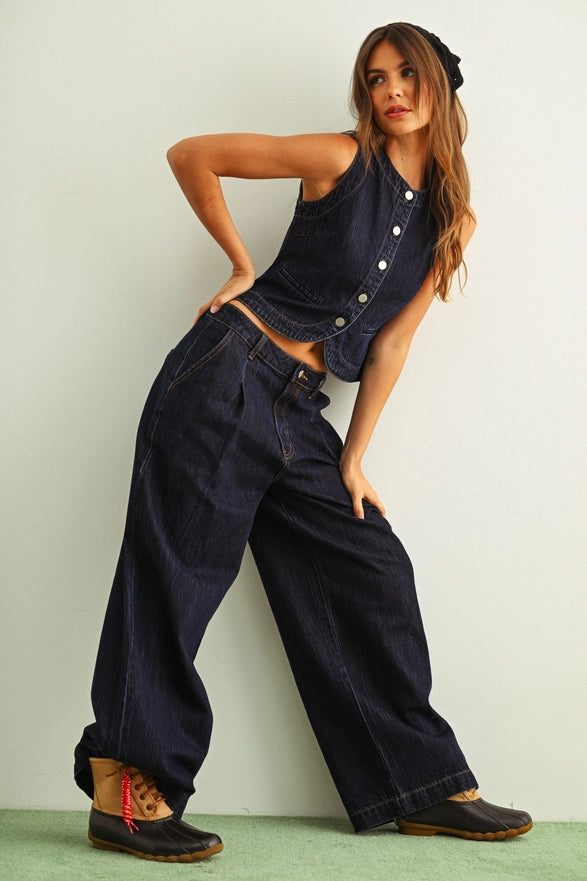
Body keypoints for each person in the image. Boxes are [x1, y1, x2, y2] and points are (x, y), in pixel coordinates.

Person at [74, 22, 532, 862]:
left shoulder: (447, 217)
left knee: (370, 566)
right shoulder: (338, 157)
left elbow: (390, 344)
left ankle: (420, 785)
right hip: (225, 373)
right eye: (374, 76)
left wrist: (353, 456)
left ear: (437, 84)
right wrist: (240, 261)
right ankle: (129, 795)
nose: (390, 90)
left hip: (298, 409)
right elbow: (191, 154)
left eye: (405, 74)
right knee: (179, 572)